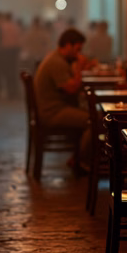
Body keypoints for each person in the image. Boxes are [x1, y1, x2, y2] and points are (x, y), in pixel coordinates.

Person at [34, 28, 93, 163]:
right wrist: (79, 67)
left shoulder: (57, 59)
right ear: (67, 45)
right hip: (52, 113)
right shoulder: (56, 62)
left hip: (55, 109)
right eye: (77, 50)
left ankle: (81, 157)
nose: (79, 54)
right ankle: (81, 160)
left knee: (91, 116)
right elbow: (72, 89)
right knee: (94, 121)